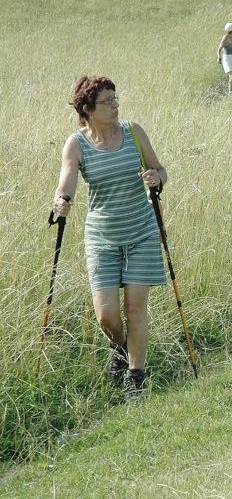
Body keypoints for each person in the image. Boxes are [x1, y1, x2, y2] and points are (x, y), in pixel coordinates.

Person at [52, 76, 167, 402]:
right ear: (87, 109)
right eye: (108, 102)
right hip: (101, 238)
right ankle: (119, 348)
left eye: (116, 99)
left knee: (135, 309)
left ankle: (136, 378)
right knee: (107, 316)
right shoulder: (77, 143)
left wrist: (156, 177)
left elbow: (161, 170)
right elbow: (66, 183)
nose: (116, 105)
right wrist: (62, 200)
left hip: (141, 231)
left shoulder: (133, 132)